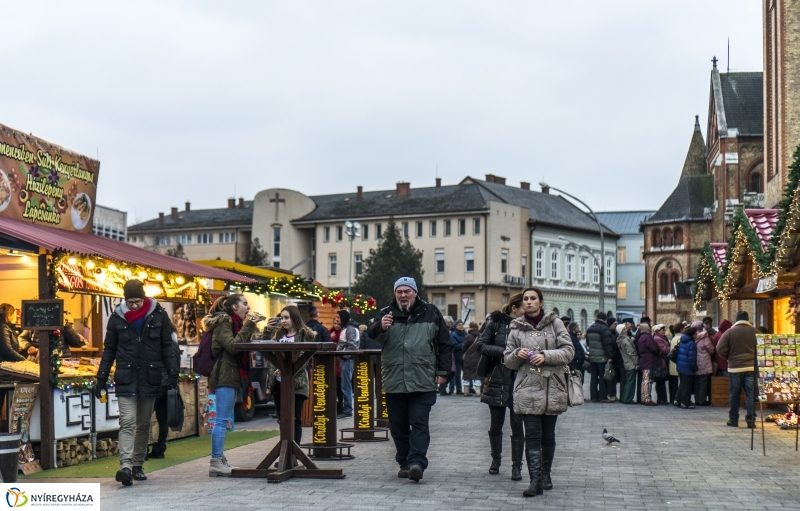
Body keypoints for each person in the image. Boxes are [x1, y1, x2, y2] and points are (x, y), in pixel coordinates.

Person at [367, 277, 452, 483]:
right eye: (399, 292)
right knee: (398, 426)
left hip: (423, 379)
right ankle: (404, 463)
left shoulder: (431, 312)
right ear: (395, 294)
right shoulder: (386, 313)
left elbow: (444, 343)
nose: (403, 295)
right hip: (395, 380)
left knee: (420, 422)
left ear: (415, 292)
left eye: (407, 291)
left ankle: (417, 463)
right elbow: (370, 335)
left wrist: (443, 371)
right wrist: (381, 327)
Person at [95, 280, 179, 486]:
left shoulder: (159, 314)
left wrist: (172, 373)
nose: (134, 305)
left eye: (138, 301)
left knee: (143, 424)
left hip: (150, 378)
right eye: (131, 302)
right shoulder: (116, 319)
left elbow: (167, 346)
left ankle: (138, 465)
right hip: (126, 377)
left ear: (144, 298)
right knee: (127, 421)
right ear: (125, 300)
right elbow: (109, 350)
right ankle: (125, 465)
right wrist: (101, 379)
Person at [503, 287, 574, 497]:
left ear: (541, 302)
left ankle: (546, 474)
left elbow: (569, 351)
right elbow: (508, 360)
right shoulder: (515, 327)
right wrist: (517, 353)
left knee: (548, 435)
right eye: (525, 299)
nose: (529, 302)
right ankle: (535, 480)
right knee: (532, 435)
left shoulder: (555, 323)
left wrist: (545, 355)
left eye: (533, 298)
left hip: (552, 385)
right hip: (527, 385)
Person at [203, 294, 263, 476]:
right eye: (245, 304)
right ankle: (215, 461)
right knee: (221, 420)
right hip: (224, 375)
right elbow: (233, 346)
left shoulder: (233, 322)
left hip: (229, 374)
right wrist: (250, 325)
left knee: (223, 419)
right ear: (235, 307)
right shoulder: (224, 322)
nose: (248, 307)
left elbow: (240, 344)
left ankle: (218, 459)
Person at [477, 294, 525, 480]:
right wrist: (504, 352)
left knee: (517, 425)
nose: (527, 309)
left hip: (519, 380)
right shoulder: (496, 324)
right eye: (523, 307)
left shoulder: (527, 327)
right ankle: (496, 460)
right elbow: (480, 345)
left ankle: (516, 466)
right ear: (514, 308)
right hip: (497, 378)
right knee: (495, 424)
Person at [267, 305, 315, 443]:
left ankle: (293, 454)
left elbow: (303, 359)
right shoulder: (278, 335)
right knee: (283, 420)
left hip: (297, 383)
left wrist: (286, 370)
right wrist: (268, 330)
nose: (283, 321)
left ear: (294, 318)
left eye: (286, 317)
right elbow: (265, 348)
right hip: (278, 383)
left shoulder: (304, 335)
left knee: (294, 419)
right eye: (281, 318)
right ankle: (285, 452)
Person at [717, 311, 757, 428]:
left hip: (735, 369)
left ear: (736, 319)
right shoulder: (755, 332)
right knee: (751, 394)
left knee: (735, 394)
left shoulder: (729, 332)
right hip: (751, 367)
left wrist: (728, 357)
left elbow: (720, 348)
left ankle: (733, 419)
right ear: (747, 319)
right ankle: (750, 420)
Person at [147, 323, 182, 459]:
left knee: (145, 418)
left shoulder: (158, 345)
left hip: (156, 385)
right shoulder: (174, 344)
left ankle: (143, 449)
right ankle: (160, 448)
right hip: (169, 387)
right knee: (163, 419)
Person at [586, 312, 615, 403]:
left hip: (593, 357)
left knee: (594, 377)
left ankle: (594, 396)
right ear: (605, 319)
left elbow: (588, 342)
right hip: (602, 357)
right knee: (603, 377)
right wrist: (610, 356)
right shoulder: (604, 328)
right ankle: (603, 396)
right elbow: (608, 344)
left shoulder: (590, 328)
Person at [637, 324, 668, 406]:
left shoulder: (641, 337)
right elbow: (654, 348)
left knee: (644, 380)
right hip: (649, 360)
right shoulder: (648, 337)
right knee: (648, 380)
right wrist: (658, 352)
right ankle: (647, 398)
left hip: (643, 359)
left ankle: (643, 397)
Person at [676, 326, 699, 409]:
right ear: (692, 334)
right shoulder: (692, 343)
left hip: (681, 366)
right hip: (687, 368)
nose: (697, 335)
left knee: (682, 384)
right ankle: (685, 402)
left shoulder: (683, 340)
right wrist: (695, 368)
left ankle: (678, 399)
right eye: (696, 333)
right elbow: (691, 358)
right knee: (687, 387)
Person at [616, 323, 638, 404]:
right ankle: (628, 398)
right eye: (624, 329)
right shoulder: (626, 340)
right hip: (631, 362)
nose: (626, 330)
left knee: (629, 381)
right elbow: (631, 352)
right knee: (631, 382)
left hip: (626, 362)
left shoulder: (620, 339)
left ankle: (625, 397)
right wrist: (637, 362)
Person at [695, 327, 715, 406]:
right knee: (703, 382)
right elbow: (711, 350)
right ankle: (702, 400)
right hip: (705, 362)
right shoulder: (705, 338)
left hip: (696, 362)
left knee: (697, 383)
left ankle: (697, 400)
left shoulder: (694, 337)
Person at [461, 321, 482, 396]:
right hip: (478, 358)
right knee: (477, 375)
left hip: (468, 358)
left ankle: (466, 391)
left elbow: (464, 348)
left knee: (467, 374)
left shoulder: (468, 336)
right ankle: (478, 392)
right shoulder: (481, 336)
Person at [446, 320, 467, 395]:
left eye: (462, 325)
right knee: (457, 375)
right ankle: (458, 389)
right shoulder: (454, 335)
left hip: (465, 357)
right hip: (457, 357)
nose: (461, 326)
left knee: (467, 374)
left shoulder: (465, 334)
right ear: (456, 326)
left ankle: (468, 388)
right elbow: (454, 346)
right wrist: (463, 345)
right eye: (459, 325)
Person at [668, 322, 686, 405]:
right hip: (678, 362)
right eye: (684, 328)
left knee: (673, 383)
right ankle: (677, 398)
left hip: (672, 362)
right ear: (681, 329)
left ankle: (672, 398)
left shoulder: (674, 337)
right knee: (678, 383)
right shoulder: (681, 338)